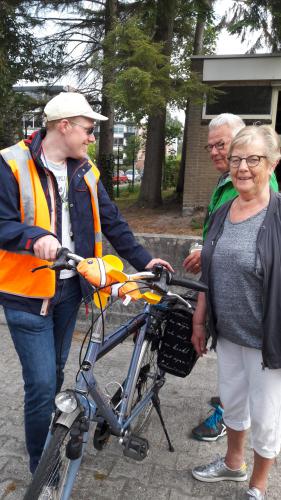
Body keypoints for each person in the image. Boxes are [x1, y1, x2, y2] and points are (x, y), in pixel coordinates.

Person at [0, 91, 172, 474]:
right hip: (26, 295)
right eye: (88, 129)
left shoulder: (86, 171)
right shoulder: (10, 163)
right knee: (43, 385)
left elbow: (112, 222)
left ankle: (51, 438)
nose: (92, 138)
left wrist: (145, 260)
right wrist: (33, 237)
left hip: (69, 290)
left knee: (57, 373)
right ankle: (40, 469)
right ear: (65, 126)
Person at [191, 125, 281, 499]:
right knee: (233, 404)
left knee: (266, 418)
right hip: (227, 333)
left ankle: (258, 487)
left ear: (273, 163)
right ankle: (232, 464)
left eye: (253, 159)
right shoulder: (224, 210)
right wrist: (199, 320)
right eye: (236, 159)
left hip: (267, 342)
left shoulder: (278, 216)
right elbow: (210, 268)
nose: (242, 167)